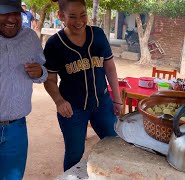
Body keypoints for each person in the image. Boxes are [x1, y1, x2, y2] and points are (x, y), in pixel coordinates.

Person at [43, 0, 122, 171]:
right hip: (72, 109)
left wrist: (117, 99)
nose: (79, 21)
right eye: (72, 16)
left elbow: (110, 68)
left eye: (83, 15)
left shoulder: (98, 35)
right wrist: (59, 101)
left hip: (103, 104)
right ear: (61, 16)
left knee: (114, 144)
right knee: (74, 153)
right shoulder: (54, 44)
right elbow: (49, 79)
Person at [0, 0, 48, 179]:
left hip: (16, 130)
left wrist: (39, 72)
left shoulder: (29, 38)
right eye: (4, 13)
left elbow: (44, 72)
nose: (12, 18)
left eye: (15, 13)